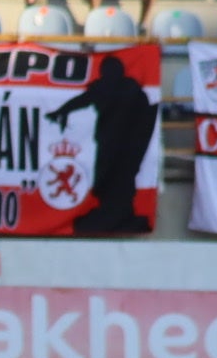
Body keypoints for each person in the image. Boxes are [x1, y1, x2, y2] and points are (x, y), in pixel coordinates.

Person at [44, 54, 158, 233]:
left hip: (127, 146)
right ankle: (110, 211)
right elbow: (81, 100)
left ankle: (122, 213)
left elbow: (147, 116)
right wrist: (60, 111)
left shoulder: (131, 89)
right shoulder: (107, 88)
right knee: (106, 178)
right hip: (108, 143)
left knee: (123, 178)